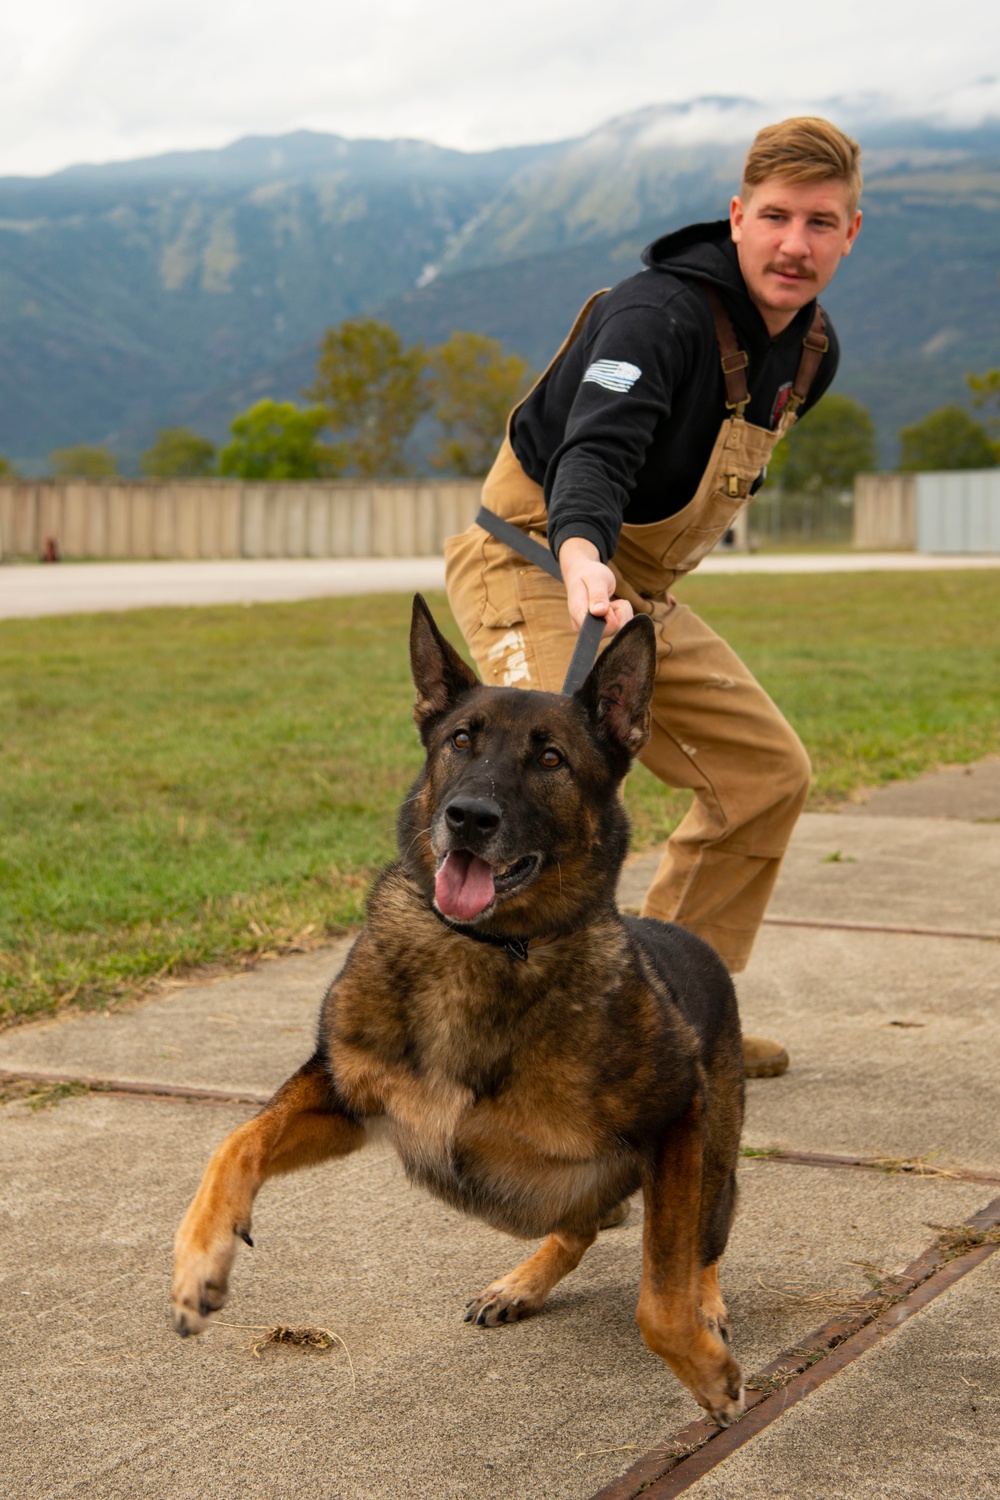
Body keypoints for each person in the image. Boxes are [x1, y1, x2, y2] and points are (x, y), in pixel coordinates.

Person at [444, 117, 863, 1078]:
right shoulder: (658, 315)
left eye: (821, 222)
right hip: (537, 559)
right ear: (736, 216)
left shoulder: (809, 353)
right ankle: (486, 1044)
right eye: (775, 217)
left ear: (851, 234)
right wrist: (585, 552)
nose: (795, 244)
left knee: (764, 776)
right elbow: (598, 445)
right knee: (535, 785)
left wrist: (617, 581)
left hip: (634, 597)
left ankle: (665, 1015)